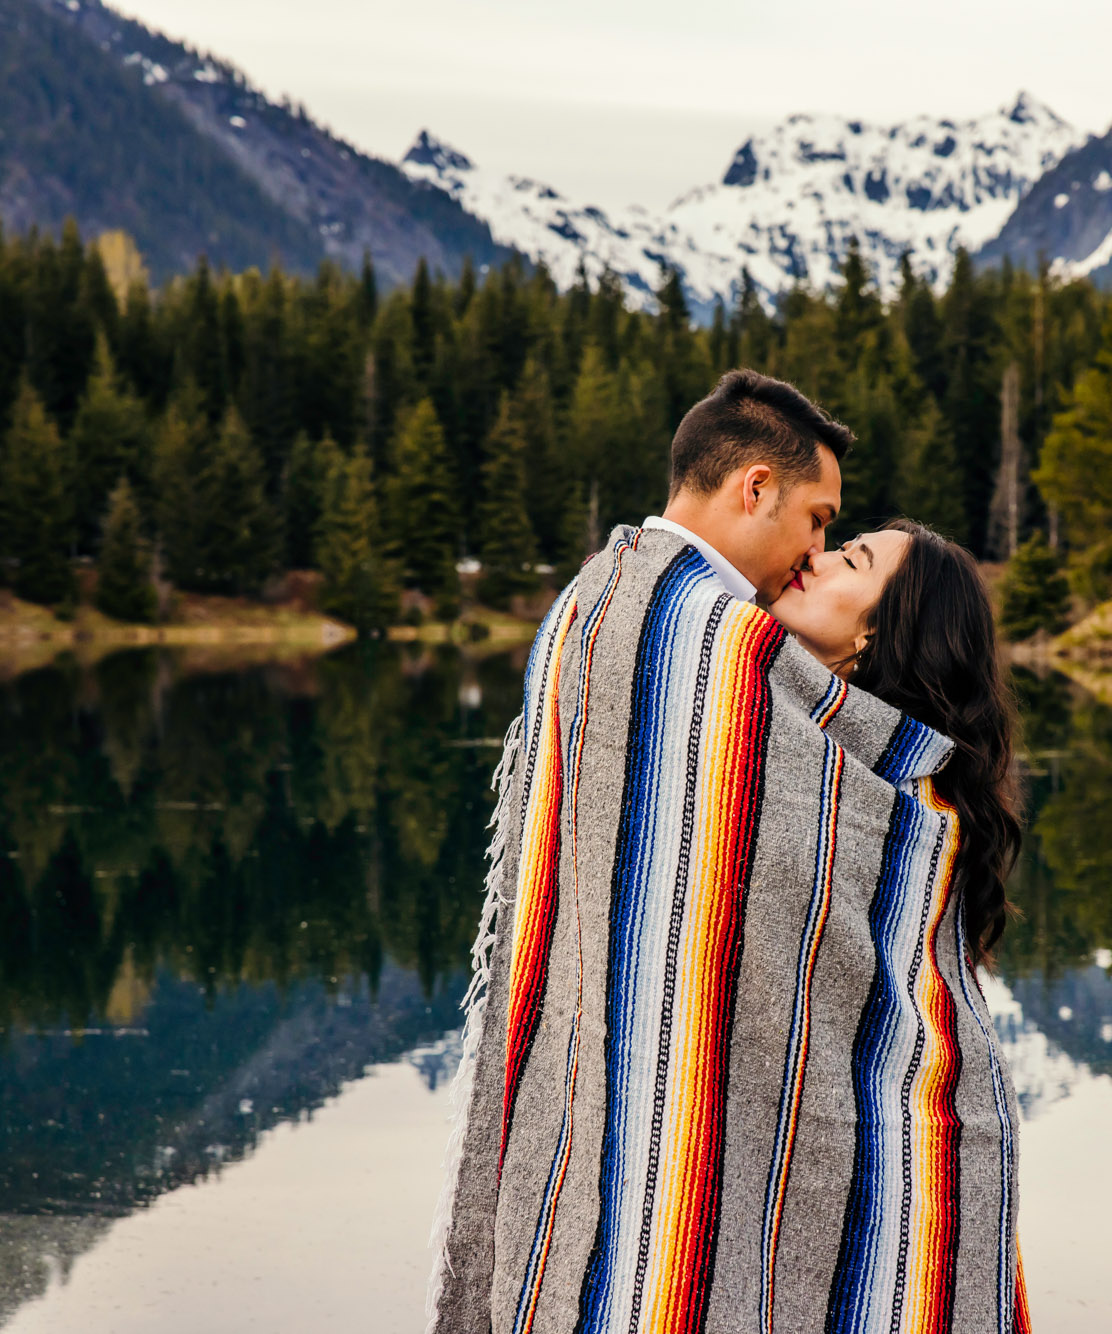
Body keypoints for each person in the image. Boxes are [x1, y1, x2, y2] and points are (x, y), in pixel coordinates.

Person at [427, 370, 1031, 1334]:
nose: (818, 552)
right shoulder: (699, 640)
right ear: (755, 488)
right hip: (691, 1120)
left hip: (861, 1131)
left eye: (847, 552)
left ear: (884, 632)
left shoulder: (659, 628)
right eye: (824, 523)